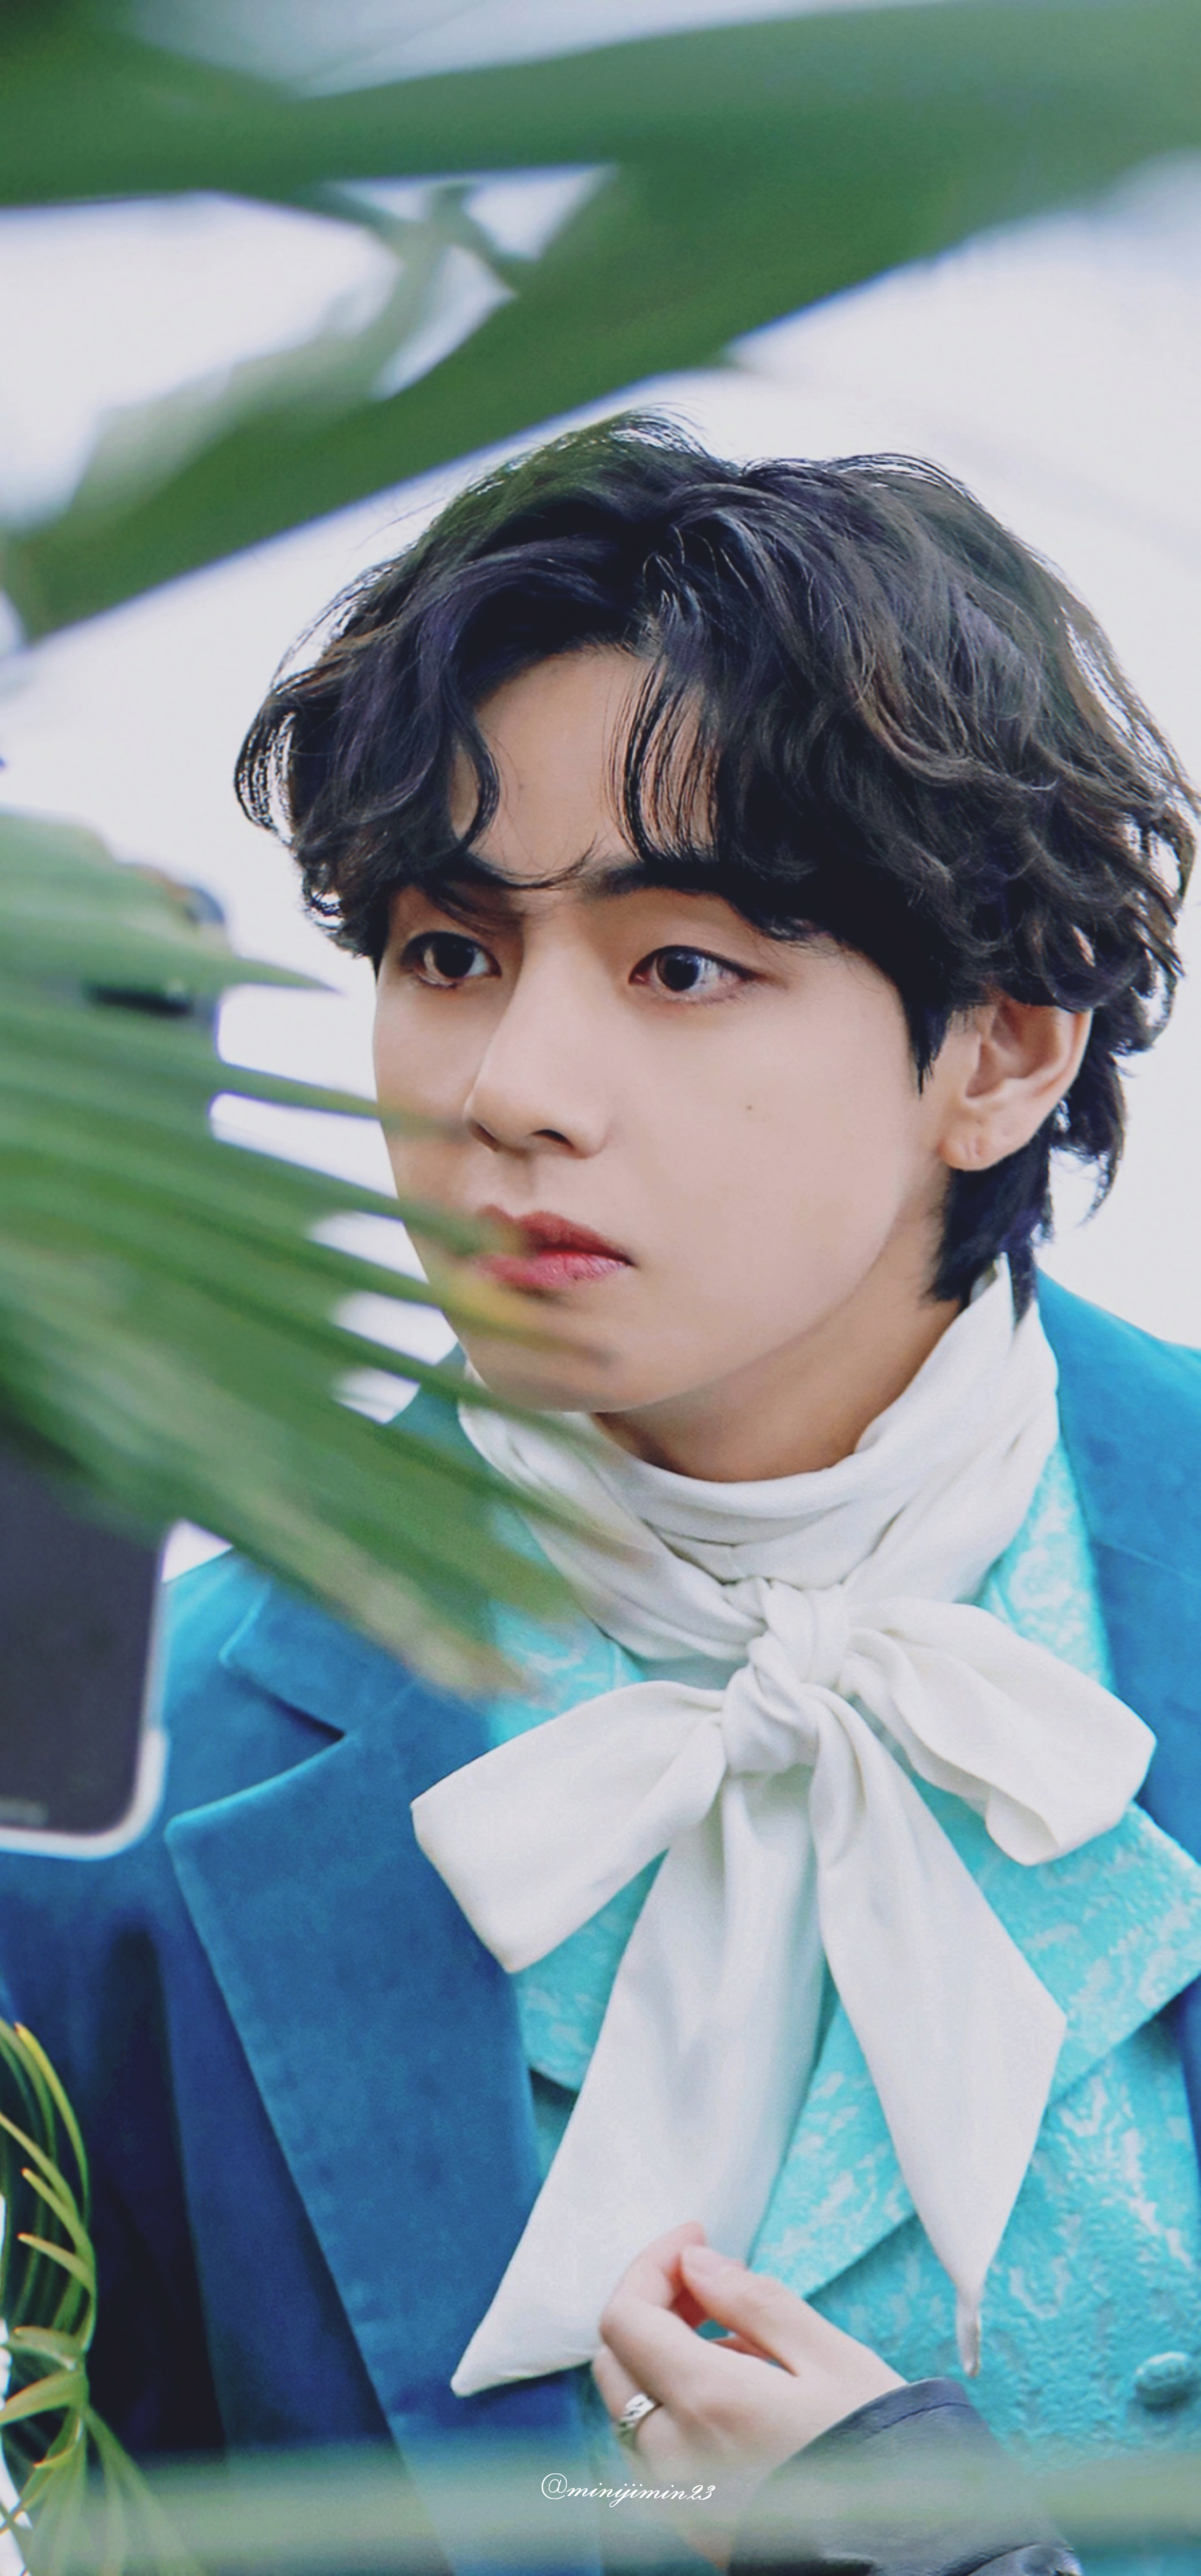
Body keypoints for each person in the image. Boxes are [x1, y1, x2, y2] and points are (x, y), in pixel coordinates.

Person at [0, 419, 1197, 2576]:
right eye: (448, 953)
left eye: (681, 965)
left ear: (1005, 1045)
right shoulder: (134, 1779)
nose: (514, 1092)